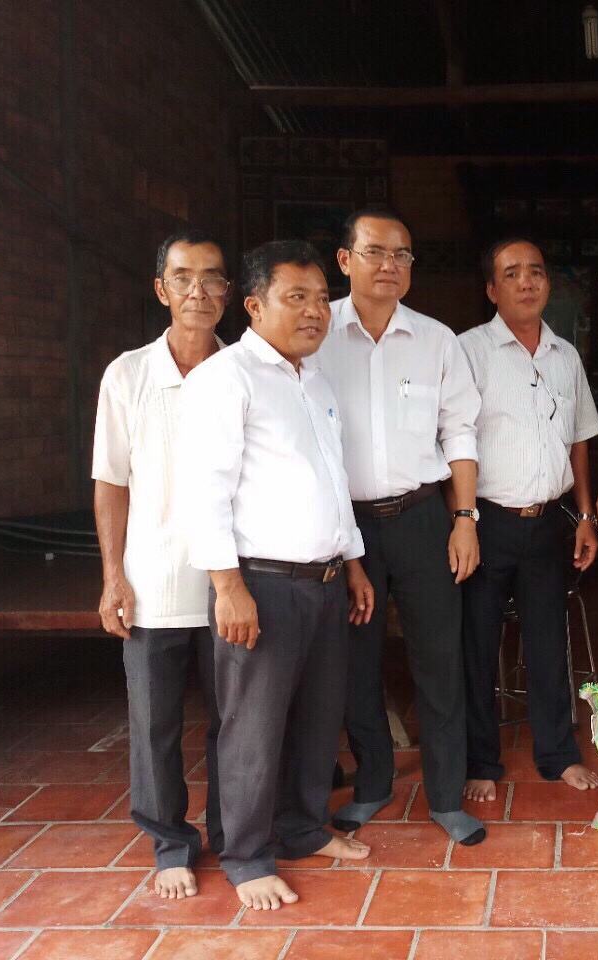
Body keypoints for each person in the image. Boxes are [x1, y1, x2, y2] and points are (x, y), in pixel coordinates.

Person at [178, 240, 374, 911]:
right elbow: (205, 492)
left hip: (324, 581)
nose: (316, 311)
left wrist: (352, 563)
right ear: (255, 306)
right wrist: (228, 588)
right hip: (261, 583)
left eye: (321, 298)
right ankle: (245, 854)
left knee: (318, 721)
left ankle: (301, 828)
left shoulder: (313, 381)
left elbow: (334, 483)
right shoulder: (226, 379)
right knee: (252, 729)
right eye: (297, 298)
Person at [316, 210, 485, 846]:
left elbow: (460, 432)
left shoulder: (437, 340)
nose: (390, 265)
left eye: (402, 255)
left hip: (421, 518)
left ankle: (445, 795)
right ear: (344, 259)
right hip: (347, 525)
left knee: (439, 657)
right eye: (375, 252)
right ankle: (373, 784)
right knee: (355, 661)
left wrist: (463, 519)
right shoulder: (315, 334)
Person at [92, 230, 228, 900]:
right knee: (154, 723)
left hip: (233, 583)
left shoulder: (246, 370)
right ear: (161, 289)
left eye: (211, 277)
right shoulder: (127, 374)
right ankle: (170, 841)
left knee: (237, 720)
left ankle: (235, 833)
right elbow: (111, 481)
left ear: (229, 292)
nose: (197, 291)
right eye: (182, 277)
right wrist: (113, 576)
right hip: (153, 579)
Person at [458, 237, 598, 802]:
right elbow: (453, 440)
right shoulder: (469, 351)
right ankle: (479, 760)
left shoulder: (565, 356)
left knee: (548, 643)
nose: (526, 282)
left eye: (536, 272)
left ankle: (557, 754)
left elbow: (579, 440)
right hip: (487, 522)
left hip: (548, 523)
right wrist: (461, 521)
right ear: (492, 289)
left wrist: (585, 516)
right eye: (512, 273)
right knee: (477, 644)